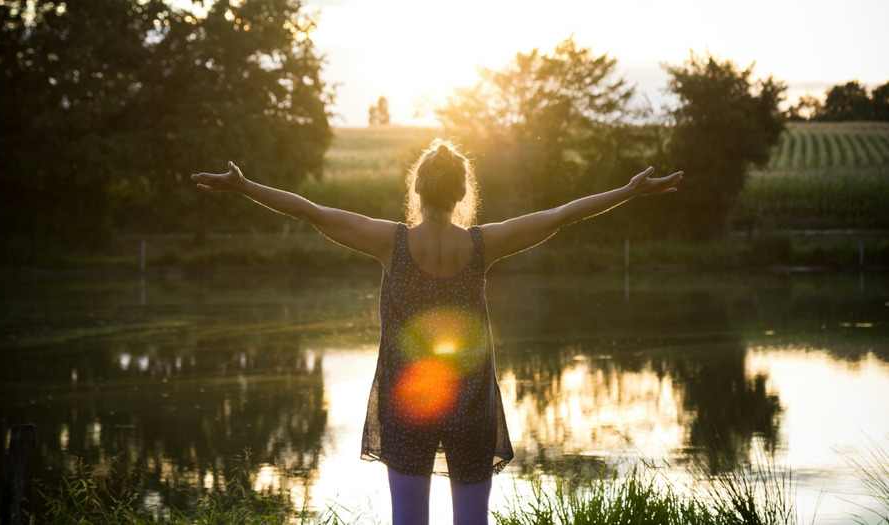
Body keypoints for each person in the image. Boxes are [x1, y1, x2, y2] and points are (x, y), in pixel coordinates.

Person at [191, 140, 682, 525]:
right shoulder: (483, 245)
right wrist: (629, 191)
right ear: (462, 193)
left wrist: (244, 187)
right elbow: (559, 217)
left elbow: (311, 212)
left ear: (418, 191)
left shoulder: (391, 242)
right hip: (471, 405)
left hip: (408, 404)